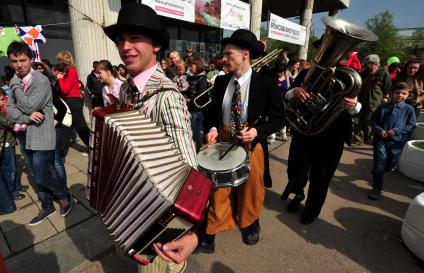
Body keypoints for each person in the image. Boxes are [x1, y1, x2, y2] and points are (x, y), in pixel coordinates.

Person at [103, 3, 199, 271]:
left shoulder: (166, 97)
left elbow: (189, 172)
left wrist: (193, 231)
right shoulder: (125, 91)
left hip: (159, 225)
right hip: (130, 208)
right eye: (121, 40)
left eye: (135, 38)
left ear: (156, 45)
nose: (125, 47)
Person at [200, 29, 285, 252]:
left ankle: (250, 223)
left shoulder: (266, 84)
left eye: (228, 54)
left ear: (244, 54)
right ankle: (212, 228)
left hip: (251, 143)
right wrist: (211, 128)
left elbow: (279, 119)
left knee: (251, 189)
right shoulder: (221, 82)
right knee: (219, 187)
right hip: (224, 141)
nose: (224, 58)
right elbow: (212, 114)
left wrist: (257, 131)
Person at [281, 39, 362, 225]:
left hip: (332, 136)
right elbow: (287, 96)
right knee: (296, 168)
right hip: (305, 131)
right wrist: (295, 92)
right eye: (325, 52)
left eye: (332, 53)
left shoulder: (351, 76)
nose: (327, 56)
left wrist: (354, 105)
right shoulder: (306, 73)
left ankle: (312, 209)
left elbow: (359, 106)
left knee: (321, 176)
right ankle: (298, 194)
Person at [6, 41, 72, 226]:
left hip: (42, 133)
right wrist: (25, 118)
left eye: (22, 60)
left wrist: (15, 85)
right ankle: (46, 206)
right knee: (35, 174)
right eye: (14, 61)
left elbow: (30, 105)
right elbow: (10, 109)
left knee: (42, 174)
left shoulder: (40, 81)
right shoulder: (15, 81)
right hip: (23, 133)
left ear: (31, 59)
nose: (19, 65)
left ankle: (64, 194)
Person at [368, 82, 416, 200]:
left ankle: (379, 172)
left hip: (397, 142)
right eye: (397, 92)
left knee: (392, 164)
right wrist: (380, 131)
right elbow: (373, 121)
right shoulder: (382, 106)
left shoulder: (409, 109)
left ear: (408, 95)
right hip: (380, 140)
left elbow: (411, 125)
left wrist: (396, 131)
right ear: (391, 93)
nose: (400, 95)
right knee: (379, 164)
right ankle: (377, 188)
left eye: (403, 93)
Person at [354, 54, 391, 146]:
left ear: (375, 64)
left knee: (369, 120)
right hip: (361, 100)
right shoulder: (364, 73)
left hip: (374, 102)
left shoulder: (384, 74)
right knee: (358, 119)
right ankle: (359, 140)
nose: (365, 65)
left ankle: (367, 139)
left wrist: (385, 99)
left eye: (368, 63)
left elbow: (388, 88)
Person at [56, 49, 90, 147]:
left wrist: (60, 79)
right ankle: (62, 149)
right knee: (68, 126)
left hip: (73, 101)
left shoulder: (71, 71)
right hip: (70, 101)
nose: (59, 63)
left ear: (64, 60)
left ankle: (93, 147)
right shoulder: (68, 71)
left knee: (80, 126)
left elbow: (65, 89)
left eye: (60, 60)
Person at [0, 88, 25, 203]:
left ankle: (17, 186)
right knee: (10, 169)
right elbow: (10, 123)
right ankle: (12, 192)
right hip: (5, 144)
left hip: (9, 142)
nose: (4, 101)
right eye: (1, 100)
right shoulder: (1, 114)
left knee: (13, 167)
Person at [186, 56, 208, 151]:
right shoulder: (191, 78)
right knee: (191, 134)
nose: (190, 67)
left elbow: (201, 96)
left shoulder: (202, 79)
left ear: (198, 65)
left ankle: (198, 153)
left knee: (196, 135)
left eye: (192, 65)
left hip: (197, 111)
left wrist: (189, 100)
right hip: (190, 109)